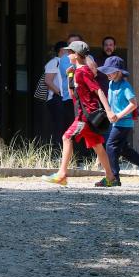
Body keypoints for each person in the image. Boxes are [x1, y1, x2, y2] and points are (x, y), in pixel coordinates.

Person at [42, 40, 116, 186]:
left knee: (66, 137)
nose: (67, 55)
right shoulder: (77, 72)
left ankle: (62, 174)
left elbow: (98, 89)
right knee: (97, 145)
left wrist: (108, 111)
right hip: (85, 114)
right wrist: (70, 76)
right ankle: (110, 178)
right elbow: (72, 95)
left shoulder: (83, 71)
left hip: (86, 115)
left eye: (70, 52)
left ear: (76, 55)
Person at [100, 56, 139, 186]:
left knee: (110, 146)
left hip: (123, 122)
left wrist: (118, 115)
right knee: (124, 150)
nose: (107, 74)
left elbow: (134, 104)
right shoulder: (111, 83)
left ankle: (114, 178)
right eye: (106, 71)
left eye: (110, 71)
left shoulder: (125, 86)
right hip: (116, 122)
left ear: (119, 72)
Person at [42, 41, 68, 145]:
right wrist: (60, 93)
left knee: (63, 125)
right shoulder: (55, 62)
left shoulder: (64, 62)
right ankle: (56, 150)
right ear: (62, 50)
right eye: (68, 50)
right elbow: (48, 81)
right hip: (56, 98)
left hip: (63, 98)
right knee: (58, 125)